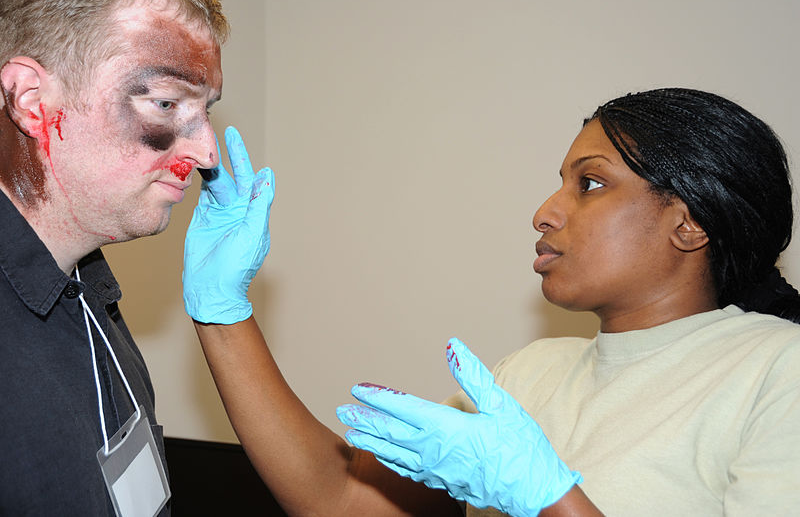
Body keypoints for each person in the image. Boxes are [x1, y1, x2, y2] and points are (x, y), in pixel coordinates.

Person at [183, 87, 800, 516]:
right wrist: (222, 310)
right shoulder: (526, 376)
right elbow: (337, 502)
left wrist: (549, 499)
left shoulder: (777, 371)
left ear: (689, 223)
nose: (545, 212)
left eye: (589, 183)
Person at [0, 0, 231, 514]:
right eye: (166, 103)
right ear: (32, 102)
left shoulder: (90, 288)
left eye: (206, 113)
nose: (207, 153)